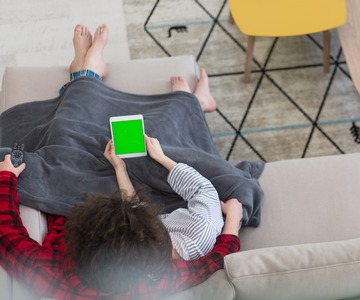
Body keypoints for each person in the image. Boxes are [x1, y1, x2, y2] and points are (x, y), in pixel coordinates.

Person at [0, 23, 243, 299]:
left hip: (74, 187)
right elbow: (216, 260)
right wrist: (233, 219)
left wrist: (7, 177)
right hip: (169, 186)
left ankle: (86, 73)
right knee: (161, 131)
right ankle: (192, 102)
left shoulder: (53, 274)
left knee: (66, 131)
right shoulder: (157, 278)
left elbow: (7, 235)